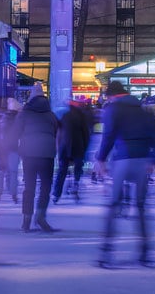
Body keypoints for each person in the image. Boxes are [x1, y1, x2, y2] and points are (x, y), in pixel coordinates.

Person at [95, 80, 155, 268]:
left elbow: (108, 136)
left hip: (123, 159)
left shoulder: (113, 109)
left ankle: (106, 253)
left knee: (114, 204)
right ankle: (145, 253)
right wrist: (154, 161)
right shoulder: (145, 112)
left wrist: (101, 159)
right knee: (141, 206)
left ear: (112, 95)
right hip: (142, 160)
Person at [12, 83, 59, 232]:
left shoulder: (24, 114)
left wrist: (16, 149)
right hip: (47, 153)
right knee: (45, 186)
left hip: (29, 153)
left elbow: (15, 133)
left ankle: (26, 220)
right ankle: (41, 217)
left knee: (29, 187)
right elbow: (56, 132)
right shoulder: (51, 115)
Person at [53, 96, 92, 204]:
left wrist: (58, 149)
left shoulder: (63, 115)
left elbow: (58, 132)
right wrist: (85, 148)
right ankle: (75, 184)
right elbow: (86, 135)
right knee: (77, 169)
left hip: (64, 148)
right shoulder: (81, 116)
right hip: (78, 147)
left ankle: (56, 194)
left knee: (62, 171)